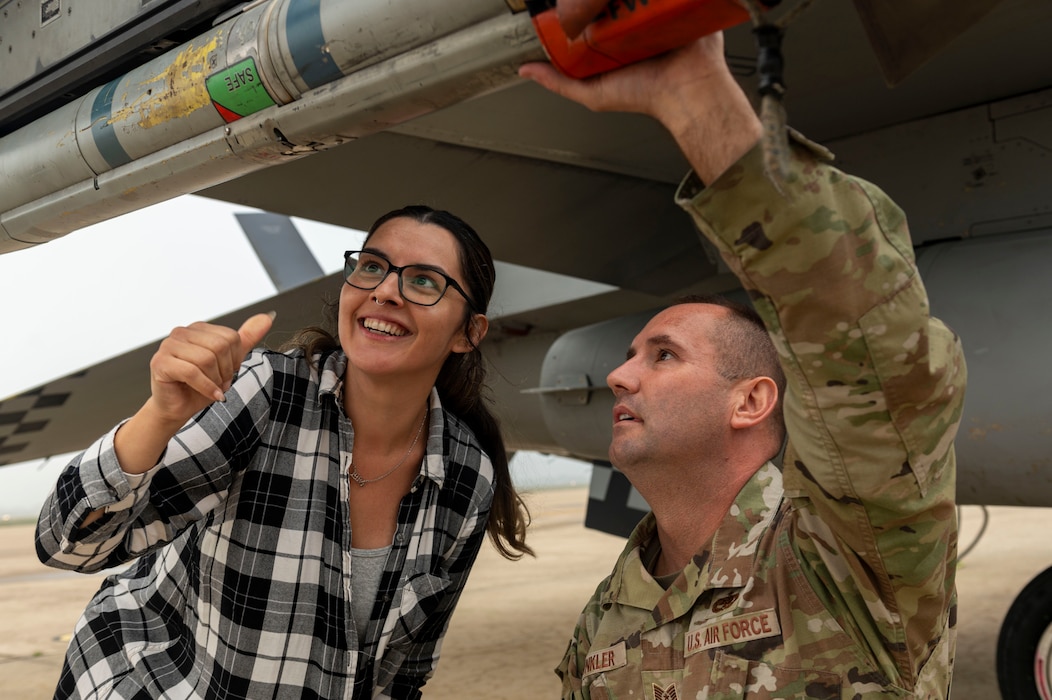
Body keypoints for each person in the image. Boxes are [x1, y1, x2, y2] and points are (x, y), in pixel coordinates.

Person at [519, 28, 965, 699]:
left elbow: (867, 346)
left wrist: (695, 98)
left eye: (663, 355)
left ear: (752, 401)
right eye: (630, 355)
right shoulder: (606, 620)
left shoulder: (843, 558)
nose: (618, 375)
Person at [35, 205, 532, 699]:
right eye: (372, 267)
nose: (384, 290)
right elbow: (69, 544)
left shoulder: (468, 478)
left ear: (469, 332)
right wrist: (160, 416)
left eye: (424, 281)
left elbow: (404, 675)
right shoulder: (267, 393)